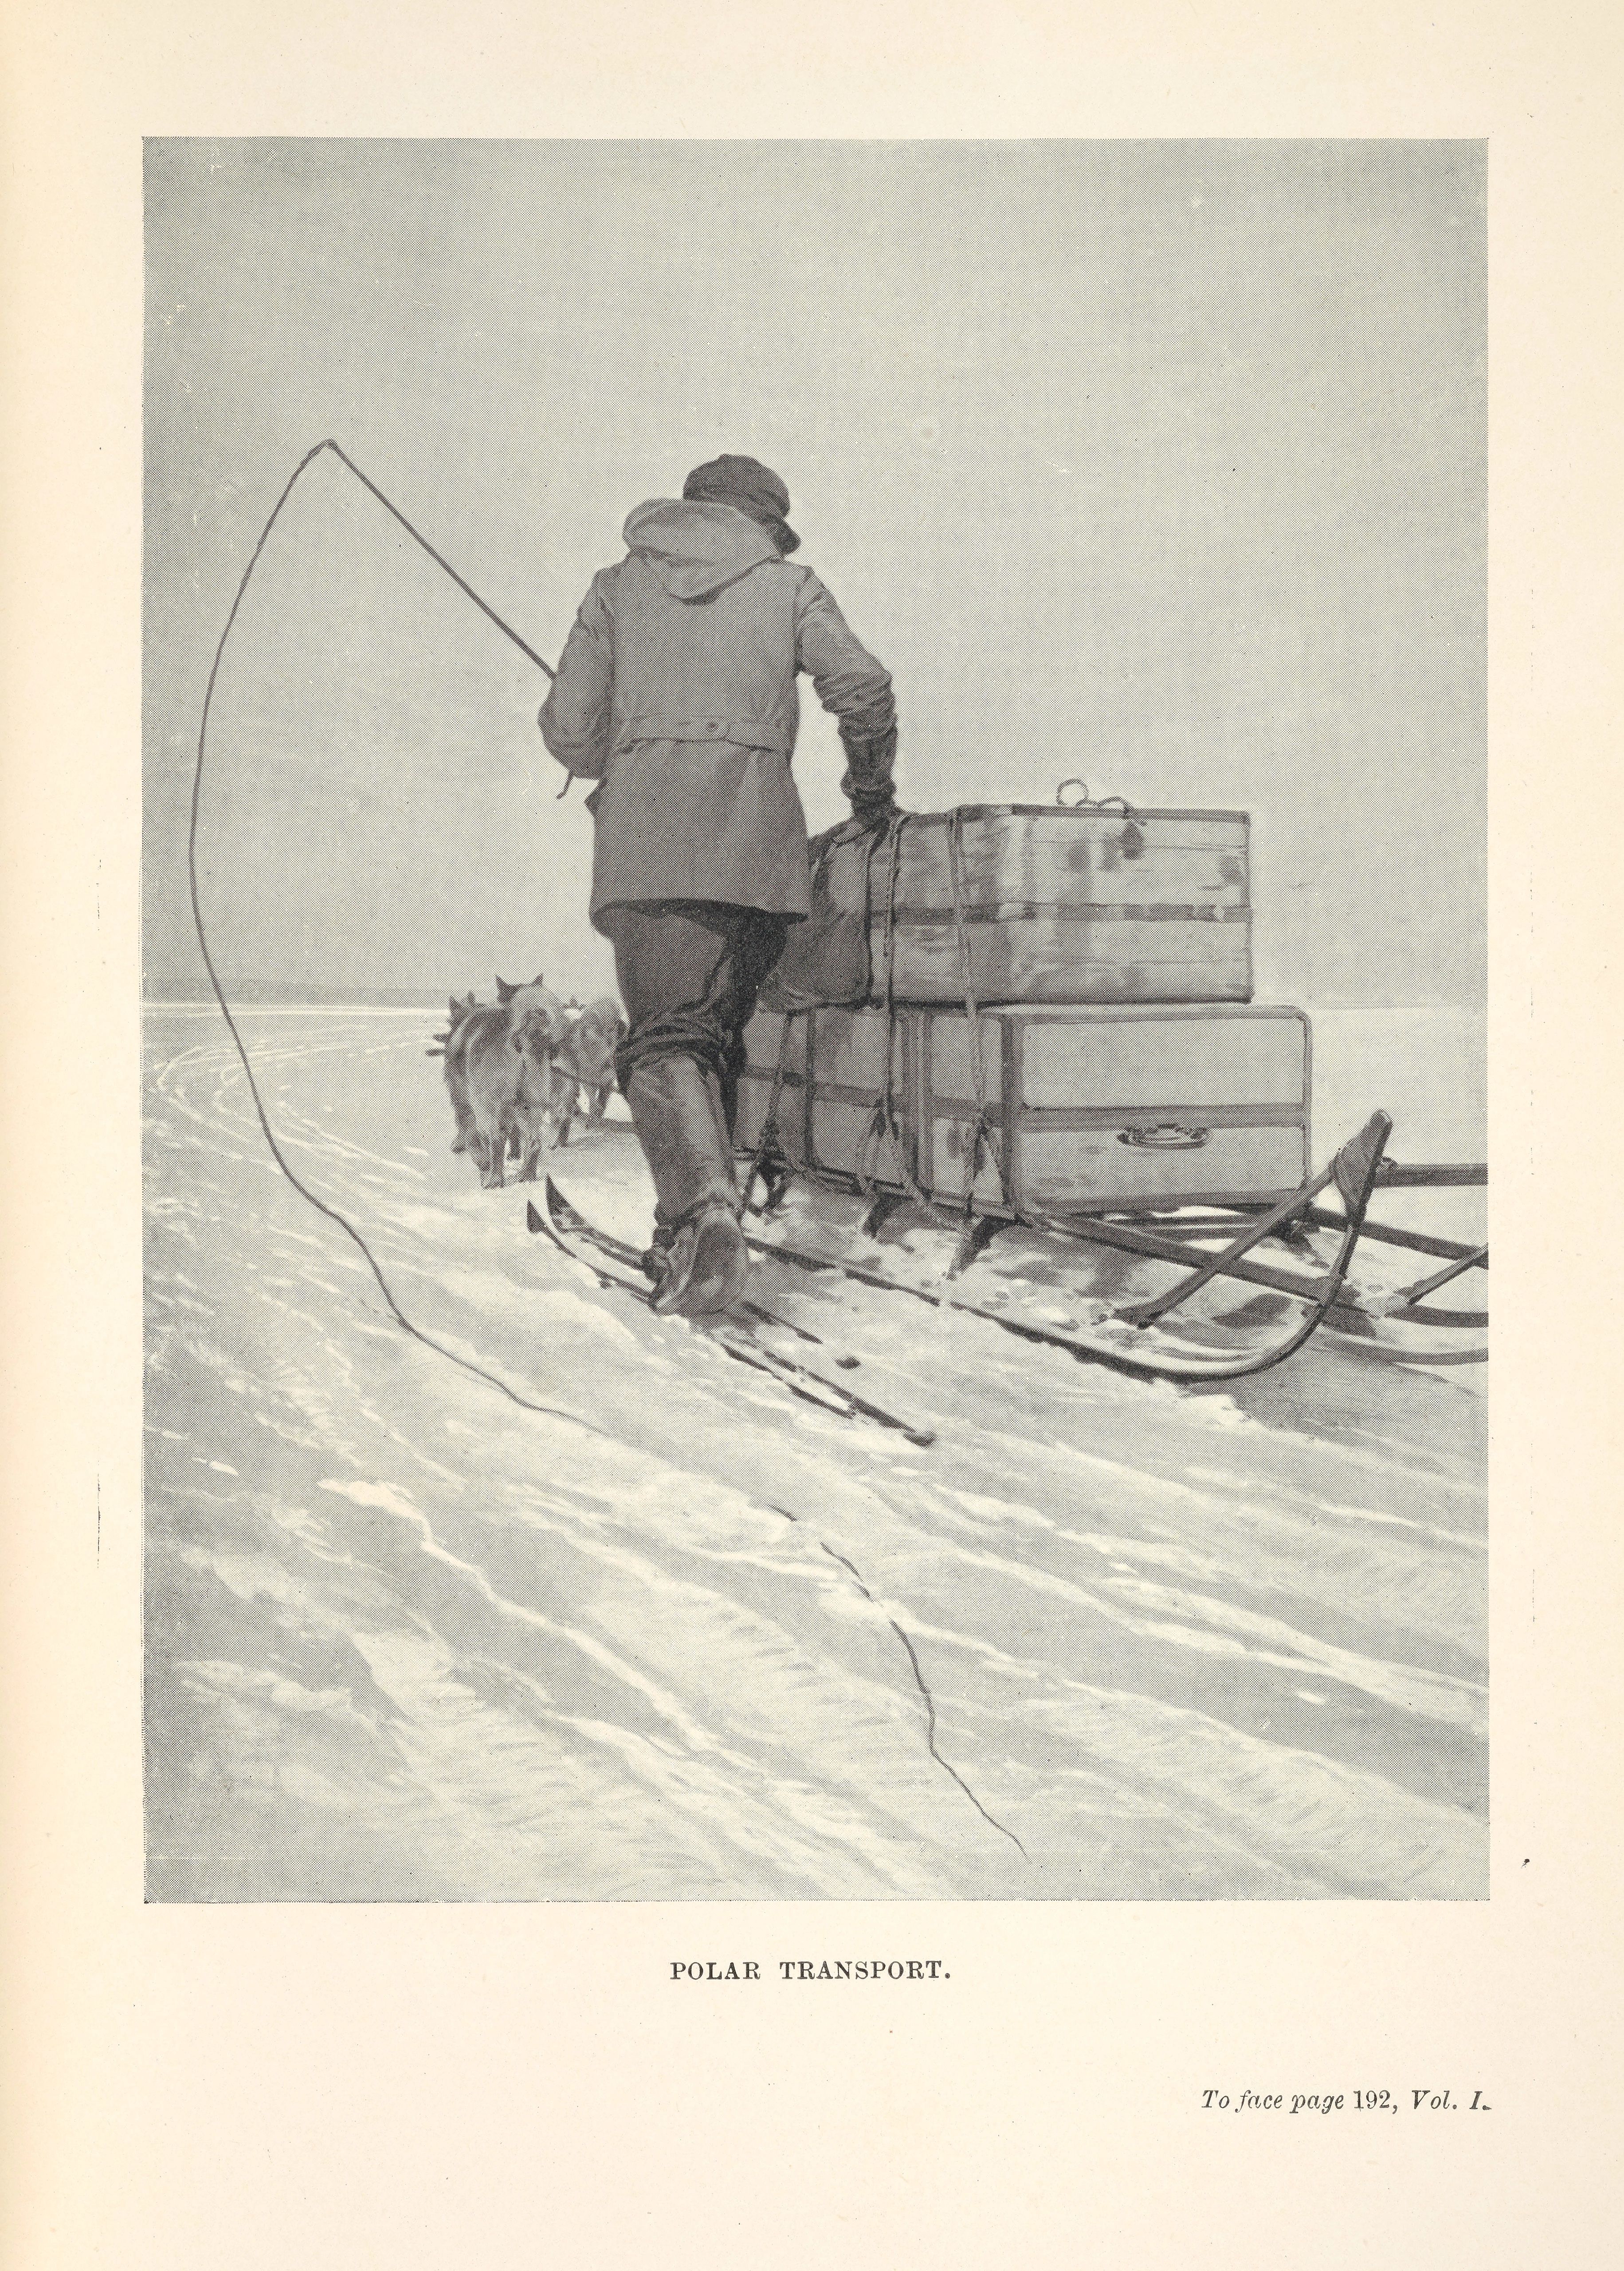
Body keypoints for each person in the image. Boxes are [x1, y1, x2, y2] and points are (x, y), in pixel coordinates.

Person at [539, 453, 898, 1316]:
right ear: (764, 526)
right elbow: (865, 687)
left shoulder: (615, 588)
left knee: (664, 1043)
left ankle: (703, 1217)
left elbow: (568, 729)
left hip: (651, 854)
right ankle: (698, 1227)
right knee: (716, 1044)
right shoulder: (792, 586)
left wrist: (619, 745)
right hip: (761, 861)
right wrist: (869, 792)